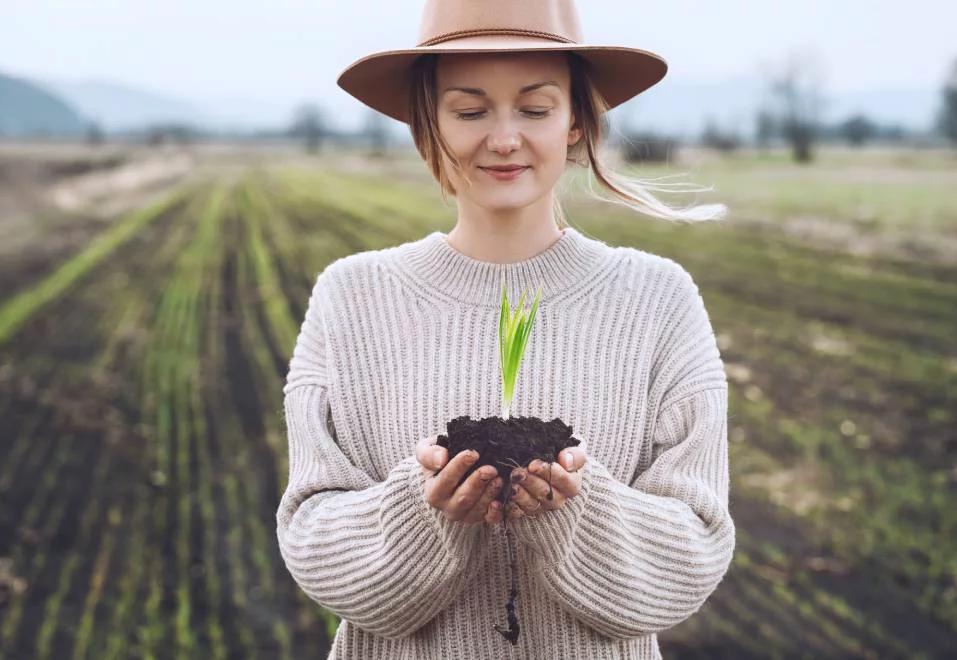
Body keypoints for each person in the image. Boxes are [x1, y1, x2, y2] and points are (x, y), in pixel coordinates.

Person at [274, 1, 735, 658]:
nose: (504, 137)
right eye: (469, 110)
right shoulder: (353, 297)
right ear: (427, 122)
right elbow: (312, 536)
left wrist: (577, 507)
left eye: (535, 108)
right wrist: (426, 508)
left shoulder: (657, 299)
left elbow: (695, 548)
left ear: (577, 119)